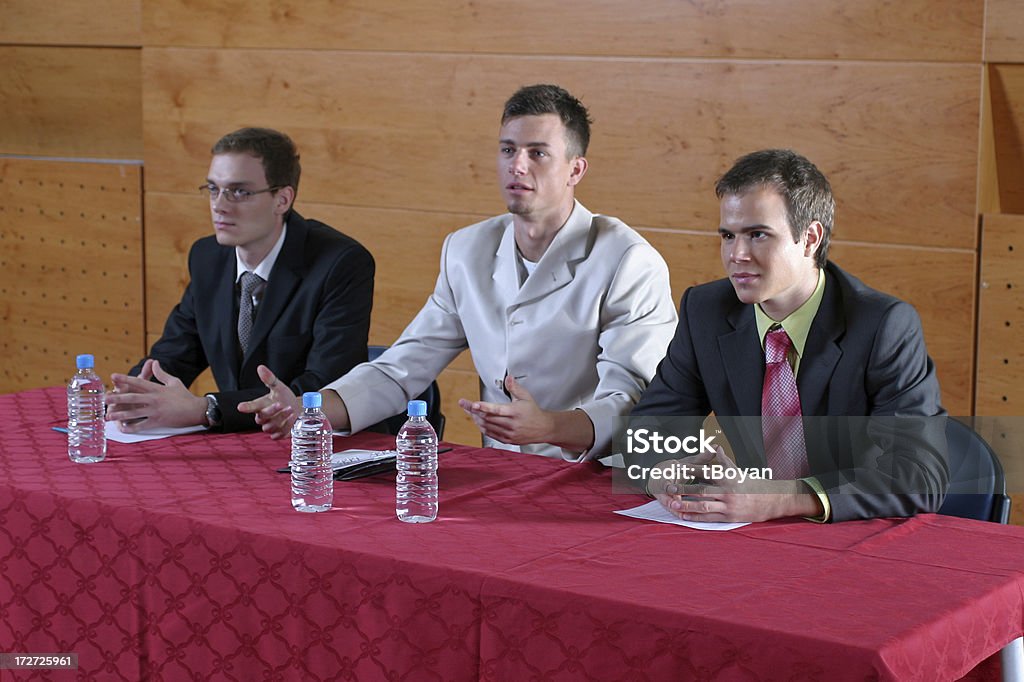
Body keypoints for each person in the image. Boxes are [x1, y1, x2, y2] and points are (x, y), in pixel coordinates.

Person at [241, 84, 677, 460]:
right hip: (504, 472)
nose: (517, 165)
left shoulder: (628, 260)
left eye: (538, 153)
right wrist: (310, 409)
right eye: (508, 149)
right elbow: (401, 368)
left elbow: (636, 403)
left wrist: (550, 427)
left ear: (575, 170)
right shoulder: (466, 250)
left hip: (596, 476)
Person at [629, 149, 947, 522]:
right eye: (728, 235)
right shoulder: (706, 311)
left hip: (855, 535)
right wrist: (664, 475)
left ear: (810, 238)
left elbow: (919, 477)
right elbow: (647, 432)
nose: (737, 254)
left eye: (758, 235)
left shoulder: (884, 326)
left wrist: (778, 498)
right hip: (751, 535)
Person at [106, 127, 374, 433]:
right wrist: (134, 397)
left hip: (321, 447)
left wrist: (207, 408)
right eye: (212, 189)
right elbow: (175, 354)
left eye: (239, 192)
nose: (219, 205)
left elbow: (321, 387)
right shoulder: (207, 257)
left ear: (282, 199)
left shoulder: (340, 263)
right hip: (240, 444)